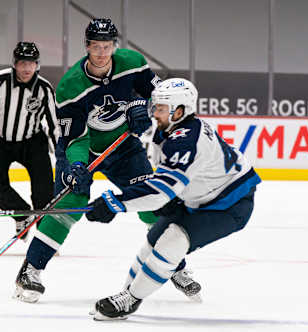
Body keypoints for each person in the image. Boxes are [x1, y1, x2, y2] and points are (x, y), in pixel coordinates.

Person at [13, 18, 201, 303]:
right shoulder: (69, 87)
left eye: (107, 46)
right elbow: (75, 138)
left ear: (115, 46)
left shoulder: (133, 62)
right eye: (96, 46)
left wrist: (145, 107)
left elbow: (162, 96)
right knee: (68, 208)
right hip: (82, 150)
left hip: (123, 146)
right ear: (86, 47)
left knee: (153, 202)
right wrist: (76, 166)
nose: (102, 52)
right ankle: (30, 270)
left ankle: (175, 266)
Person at [85, 78, 262, 320]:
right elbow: (169, 181)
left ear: (179, 111)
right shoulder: (172, 130)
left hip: (230, 203)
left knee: (174, 239)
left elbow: (160, 191)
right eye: (154, 106)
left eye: (160, 108)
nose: (154, 113)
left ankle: (131, 300)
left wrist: (116, 203)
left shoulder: (185, 140)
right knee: (152, 240)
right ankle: (125, 293)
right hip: (200, 195)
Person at [0, 41, 60, 238]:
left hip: (33, 142)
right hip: (0, 141)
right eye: (23, 63)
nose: (27, 68)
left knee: (44, 192)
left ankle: (44, 237)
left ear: (37, 65)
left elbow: (55, 124)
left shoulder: (44, 88)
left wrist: (62, 156)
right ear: (15, 64)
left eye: (32, 63)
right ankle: (22, 215)